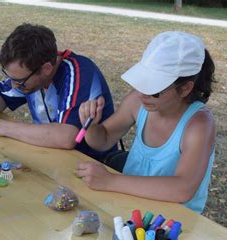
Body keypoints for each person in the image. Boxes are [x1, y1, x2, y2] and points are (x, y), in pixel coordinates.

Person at [76, 31, 216, 214]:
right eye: (142, 83)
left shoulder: (198, 124)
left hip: (173, 221)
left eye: (154, 89)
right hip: (128, 204)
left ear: (185, 89)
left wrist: (110, 181)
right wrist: (92, 126)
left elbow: (183, 188)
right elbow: (103, 140)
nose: (143, 94)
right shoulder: (138, 101)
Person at [0, 23, 116, 161]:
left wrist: (3, 127)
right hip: (53, 156)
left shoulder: (78, 72)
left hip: (93, 163)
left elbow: (66, 137)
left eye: (19, 81)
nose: (14, 86)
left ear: (46, 69)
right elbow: (1, 94)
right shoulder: (28, 74)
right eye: (10, 77)